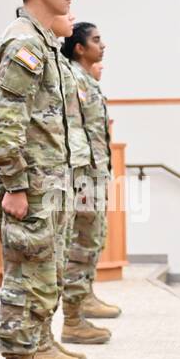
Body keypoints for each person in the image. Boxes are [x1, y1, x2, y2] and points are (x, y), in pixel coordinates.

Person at [0, 0, 80, 359]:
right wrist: (15, 184)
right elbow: (4, 117)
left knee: (43, 279)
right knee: (25, 282)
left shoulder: (41, 42)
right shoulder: (24, 43)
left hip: (47, 184)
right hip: (31, 187)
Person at [60, 22, 121, 330]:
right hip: (82, 171)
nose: (103, 44)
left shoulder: (87, 79)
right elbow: (72, 128)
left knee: (93, 236)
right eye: (97, 40)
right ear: (80, 48)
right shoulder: (73, 78)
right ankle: (74, 309)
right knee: (82, 239)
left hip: (94, 168)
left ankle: (84, 295)